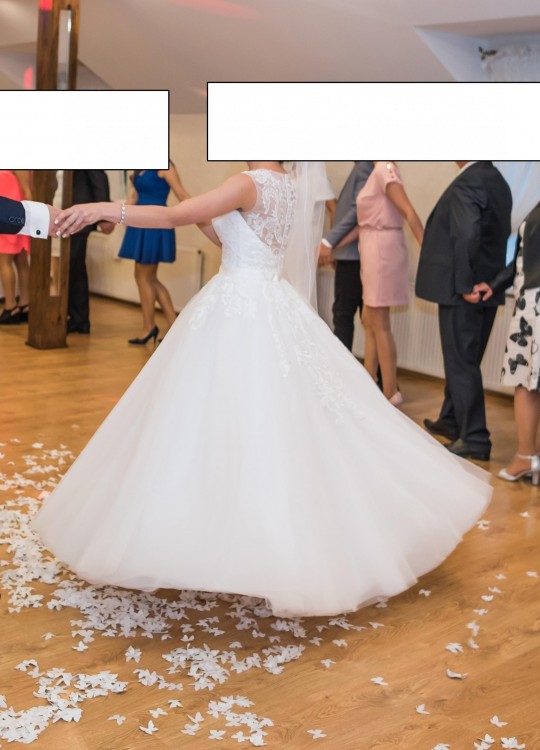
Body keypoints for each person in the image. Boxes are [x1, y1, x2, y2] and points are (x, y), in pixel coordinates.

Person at [34, 161, 491, 619]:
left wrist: (101, 208)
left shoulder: (247, 183)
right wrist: (188, 206)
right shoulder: (286, 185)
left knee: (220, 419)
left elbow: (173, 217)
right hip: (270, 300)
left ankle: (228, 541)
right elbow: (225, 236)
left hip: (240, 309)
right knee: (268, 423)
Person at [417, 161, 512, 461]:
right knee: (465, 359)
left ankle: (474, 437)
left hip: (466, 291)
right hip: (487, 289)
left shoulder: (468, 181)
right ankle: (451, 419)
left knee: (461, 362)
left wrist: (464, 285)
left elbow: (467, 235)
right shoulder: (499, 182)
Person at [473, 200, 540, 484]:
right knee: (529, 381)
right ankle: (530, 456)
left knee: (525, 380)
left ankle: (526, 457)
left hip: (535, 302)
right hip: (529, 299)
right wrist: (496, 283)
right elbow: (524, 257)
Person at [355, 161, 423, 405]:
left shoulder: (385, 168)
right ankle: (369, 381)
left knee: (379, 320)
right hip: (372, 246)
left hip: (382, 250)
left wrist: (429, 254)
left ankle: (390, 392)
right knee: (369, 318)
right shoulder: (378, 170)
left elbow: (409, 211)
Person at [118, 165, 189, 345]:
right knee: (146, 276)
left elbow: (182, 195)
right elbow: (134, 198)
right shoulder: (139, 167)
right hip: (139, 221)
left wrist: (202, 218)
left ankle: (150, 327)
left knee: (144, 276)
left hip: (155, 223)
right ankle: (172, 326)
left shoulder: (166, 167)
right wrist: (113, 215)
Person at [318, 162, 374, 350]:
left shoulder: (366, 166)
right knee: (363, 319)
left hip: (354, 257)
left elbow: (359, 211)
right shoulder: (363, 166)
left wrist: (330, 242)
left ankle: (343, 367)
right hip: (352, 255)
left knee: (344, 316)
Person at [67, 171, 113, 334]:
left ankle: (79, 320)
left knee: (75, 267)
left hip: (80, 217)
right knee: (73, 268)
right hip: (67, 215)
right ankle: (74, 317)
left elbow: (99, 179)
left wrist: (104, 217)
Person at [0, 171, 32, 324]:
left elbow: (27, 188)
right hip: (14, 213)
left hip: (10, 215)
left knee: (5, 261)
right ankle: (25, 304)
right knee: (20, 260)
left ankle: (11, 306)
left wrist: (32, 216)